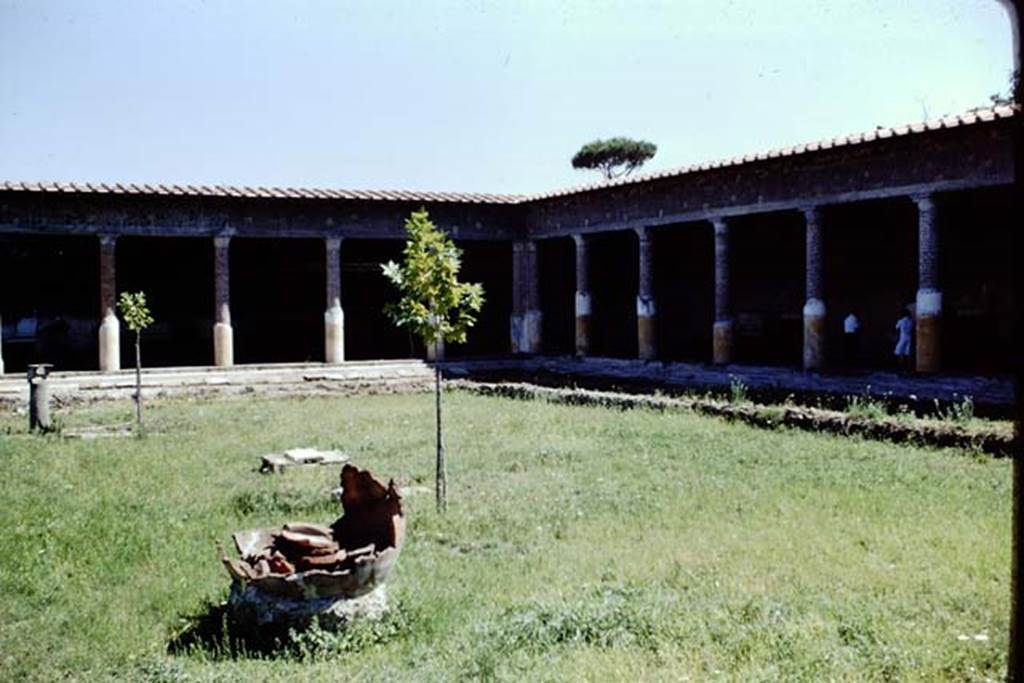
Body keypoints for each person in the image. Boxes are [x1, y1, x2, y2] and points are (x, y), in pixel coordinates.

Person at [894, 307, 914, 372]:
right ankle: (908, 369)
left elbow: (896, 328)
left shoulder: (901, 321)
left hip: (903, 337)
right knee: (907, 353)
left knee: (899, 352)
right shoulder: (911, 321)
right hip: (909, 337)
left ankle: (900, 368)